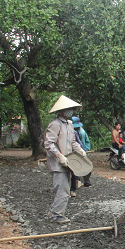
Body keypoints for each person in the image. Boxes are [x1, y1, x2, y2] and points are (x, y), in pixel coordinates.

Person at [43, 95, 87, 223]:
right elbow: (48, 144)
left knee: (65, 188)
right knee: (62, 189)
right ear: (61, 110)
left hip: (69, 161)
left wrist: (79, 150)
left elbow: (73, 141)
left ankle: (55, 212)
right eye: (69, 108)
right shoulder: (55, 124)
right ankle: (56, 214)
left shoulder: (69, 124)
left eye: (72, 108)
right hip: (58, 162)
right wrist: (59, 155)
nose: (71, 111)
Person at [72, 116, 92, 188]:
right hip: (80, 150)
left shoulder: (81, 132)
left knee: (82, 166)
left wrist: (82, 151)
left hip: (82, 150)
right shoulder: (77, 131)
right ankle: (79, 181)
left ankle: (85, 182)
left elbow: (81, 143)